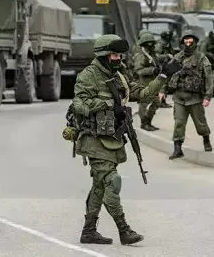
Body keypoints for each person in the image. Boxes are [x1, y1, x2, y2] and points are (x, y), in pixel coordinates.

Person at [71, 34, 180, 245]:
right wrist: (108, 103)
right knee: (112, 181)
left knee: (100, 186)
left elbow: (144, 95)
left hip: (112, 138)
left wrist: (163, 77)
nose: (118, 58)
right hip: (93, 139)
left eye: (120, 54)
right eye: (113, 54)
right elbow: (79, 104)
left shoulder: (120, 76)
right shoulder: (89, 75)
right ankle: (124, 230)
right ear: (103, 55)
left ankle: (88, 230)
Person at [161, 30, 214, 160]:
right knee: (179, 122)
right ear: (182, 42)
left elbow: (209, 79)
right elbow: (166, 73)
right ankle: (177, 148)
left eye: (191, 41)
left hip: (195, 98)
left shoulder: (202, 58)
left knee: (200, 124)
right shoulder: (177, 57)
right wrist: (162, 90)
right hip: (179, 97)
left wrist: (207, 97)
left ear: (195, 42)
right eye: (186, 41)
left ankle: (206, 140)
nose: (188, 44)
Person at [133, 31, 162, 131]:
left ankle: (148, 121)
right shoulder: (141, 55)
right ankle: (144, 123)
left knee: (157, 103)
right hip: (144, 83)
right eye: (148, 43)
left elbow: (156, 63)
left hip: (153, 83)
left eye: (151, 43)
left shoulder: (152, 54)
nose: (150, 45)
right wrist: (152, 70)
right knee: (143, 104)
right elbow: (138, 70)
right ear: (144, 44)